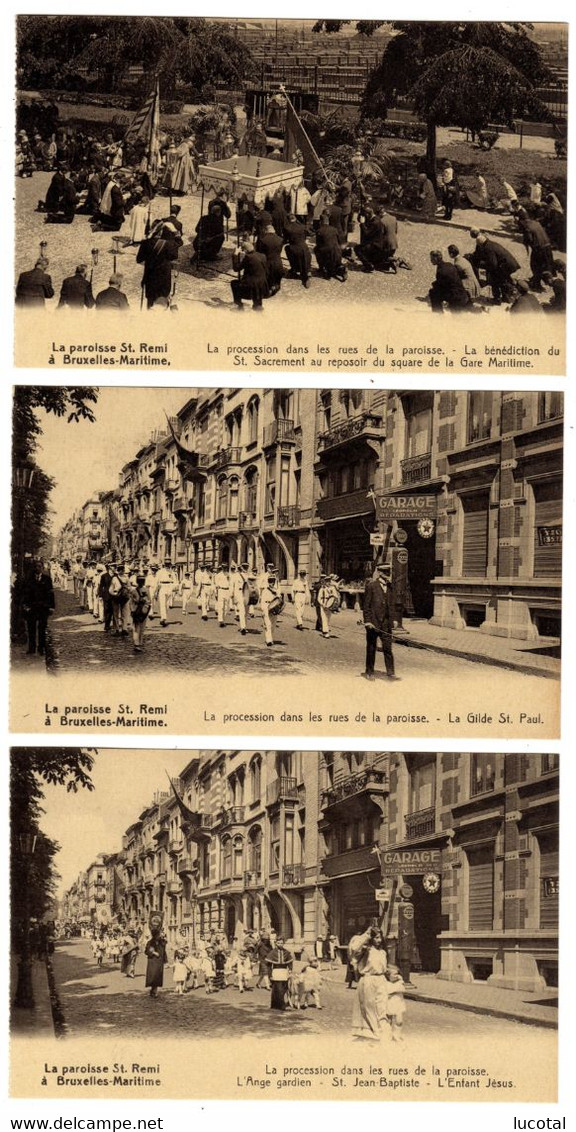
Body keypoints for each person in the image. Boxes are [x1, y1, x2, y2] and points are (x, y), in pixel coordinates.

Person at [350, 923, 390, 1043]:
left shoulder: (382, 952)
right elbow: (354, 948)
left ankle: (383, 1028)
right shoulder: (365, 950)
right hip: (368, 979)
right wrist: (367, 934)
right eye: (376, 937)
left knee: (382, 1006)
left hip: (381, 979)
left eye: (379, 937)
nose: (378, 940)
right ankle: (374, 1030)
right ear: (371, 939)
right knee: (369, 1006)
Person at [363, 561, 396, 680]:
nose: (388, 574)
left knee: (388, 648)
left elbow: (391, 605)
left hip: (386, 624)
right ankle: (369, 672)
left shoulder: (390, 586)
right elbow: (366, 606)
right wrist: (367, 621)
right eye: (386, 572)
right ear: (380, 573)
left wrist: (394, 620)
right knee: (371, 648)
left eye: (389, 571)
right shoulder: (371, 586)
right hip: (373, 622)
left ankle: (390, 672)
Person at [469, 229, 520, 304]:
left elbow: (493, 264)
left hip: (506, 266)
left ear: (481, 244)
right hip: (508, 263)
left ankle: (497, 299)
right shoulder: (489, 243)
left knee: (494, 280)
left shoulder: (488, 249)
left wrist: (481, 265)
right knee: (502, 280)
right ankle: (506, 297)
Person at [137, 223, 181, 309]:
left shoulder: (146, 243)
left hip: (149, 278)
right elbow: (178, 247)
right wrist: (175, 232)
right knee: (162, 303)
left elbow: (139, 259)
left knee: (150, 304)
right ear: (161, 232)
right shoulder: (169, 244)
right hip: (163, 279)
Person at [21, 559, 55, 656]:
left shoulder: (47, 579)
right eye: (36, 567)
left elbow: (51, 594)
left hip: (43, 608)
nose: (37, 568)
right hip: (31, 608)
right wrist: (25, 605)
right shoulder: (29, 579)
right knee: (31, 629)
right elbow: (25, 594)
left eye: (39, 567)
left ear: (42, 568)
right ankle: (31, 648)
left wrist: (52, 607)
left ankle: (41, 648)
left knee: (42, 629)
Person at [517, 215, 554, 292]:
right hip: (548, 246)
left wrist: (525, 242)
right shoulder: (536, 223)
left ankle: (537, 284)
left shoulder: (527, 228)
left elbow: (530, 240)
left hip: (539, 248)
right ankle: (546, 280)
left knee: (535, 265)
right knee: (546, 264)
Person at [231, 239, 269, 311]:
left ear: (245, 251)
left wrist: (235, 254)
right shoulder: (262, 255)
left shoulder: (248, 257)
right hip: (263, 284)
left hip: (251, 285)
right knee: (256, 280)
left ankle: (239, 305)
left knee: (234, 283)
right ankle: (258, 304)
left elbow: (236, 268)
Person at [314, 215, 347, 281]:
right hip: (337, 251)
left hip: (326, 252)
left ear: (320, 222)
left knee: (316, 249)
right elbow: (339, 241)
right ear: (328, 222)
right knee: (336, 263)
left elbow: (318, 244)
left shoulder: (319, 231)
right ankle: (342, 272)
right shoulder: (334, 229)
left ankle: (321, 267)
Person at [283, 214, 312, 287]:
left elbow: (286, 240)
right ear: (295, 219)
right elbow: (305, 237)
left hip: (294, 248)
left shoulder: (287, 228)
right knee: (305, 257)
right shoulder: (302, 226)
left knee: (287, 248)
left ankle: (294, 268)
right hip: (304, 247)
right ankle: (307, 271)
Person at [256, 224, 285, 295]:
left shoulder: (262, 240)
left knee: (267, 277)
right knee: (277, 277)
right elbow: (279, 250)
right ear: (274, 231)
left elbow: (259, 252)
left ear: (266, 231)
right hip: (278, 262)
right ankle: (275, 286)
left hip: (267, 262)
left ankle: (269, 288)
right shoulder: (280, 240)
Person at [266, 937, 293, 1011]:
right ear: (276, 943)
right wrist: (270, 975)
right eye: (278, 943)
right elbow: (268, 965)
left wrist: (290, 970)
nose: (280, 944)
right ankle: (280, 1005)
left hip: (284, 972)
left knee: (284, 988)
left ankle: (278, 1004)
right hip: (276, 972)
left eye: (281, 943)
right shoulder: (272, 953)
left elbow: (290, 962)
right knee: (277, 989)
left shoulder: (286, 952)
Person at [129, 572, 151, 652]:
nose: (142, 582)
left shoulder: (135, 591)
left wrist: (132, 610)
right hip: (140, 611)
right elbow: (149, 601)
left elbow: (131, 602)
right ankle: (137, 644)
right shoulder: (137, 591)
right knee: (139, 628)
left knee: (139, 628)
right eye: (141, 581)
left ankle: (138, 643)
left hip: (139, 611)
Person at [260, 574, 283, 646]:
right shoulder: (265, 591)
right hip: (266, 607)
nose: (271, 583)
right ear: (268, 582)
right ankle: (268, 640)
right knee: (268, 624)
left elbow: (279, 600)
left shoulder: (277, 591)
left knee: (273, 625)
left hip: (274, 608)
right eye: (270, 581)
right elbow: (262, 601)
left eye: (273, 581)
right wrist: (263, 610)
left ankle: (270, 638)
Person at [144, 930, 168, 998]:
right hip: (153, 961)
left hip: (159, 962)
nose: (160, 935)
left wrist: (166, 961)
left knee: (158, 976)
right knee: (153, 976)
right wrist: (153, 953)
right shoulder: (150, 942)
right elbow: (146, 951)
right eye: (159, 934)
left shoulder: (161, 942)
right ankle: (153, 990)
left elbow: (164, 952)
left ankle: (154, 990)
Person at [386, 966, 406, 1041]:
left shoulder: (400, 982)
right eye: (394, 974)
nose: (396, 976)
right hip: (389, 1004)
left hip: (398, 1004)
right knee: (388, 1021)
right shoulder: (386, 983)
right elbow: (387, 992)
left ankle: (397, 1034)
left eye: (397, 974)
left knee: (399, 1020)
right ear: (388, 976)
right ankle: (388, 1034)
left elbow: (402, 989)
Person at [154, 561, 176, 626]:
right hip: (162, 586)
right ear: (164, 565)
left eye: (168, 565)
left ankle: (164, 617)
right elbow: (156, 582)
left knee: (167, 604)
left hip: (169, 587)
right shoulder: (160, 572)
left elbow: (175, 581)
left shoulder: (172, 572)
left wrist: (173, 588)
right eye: (166, 565)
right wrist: (156, 591)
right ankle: (163, 618)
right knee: (162, 603)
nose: (167, 566)